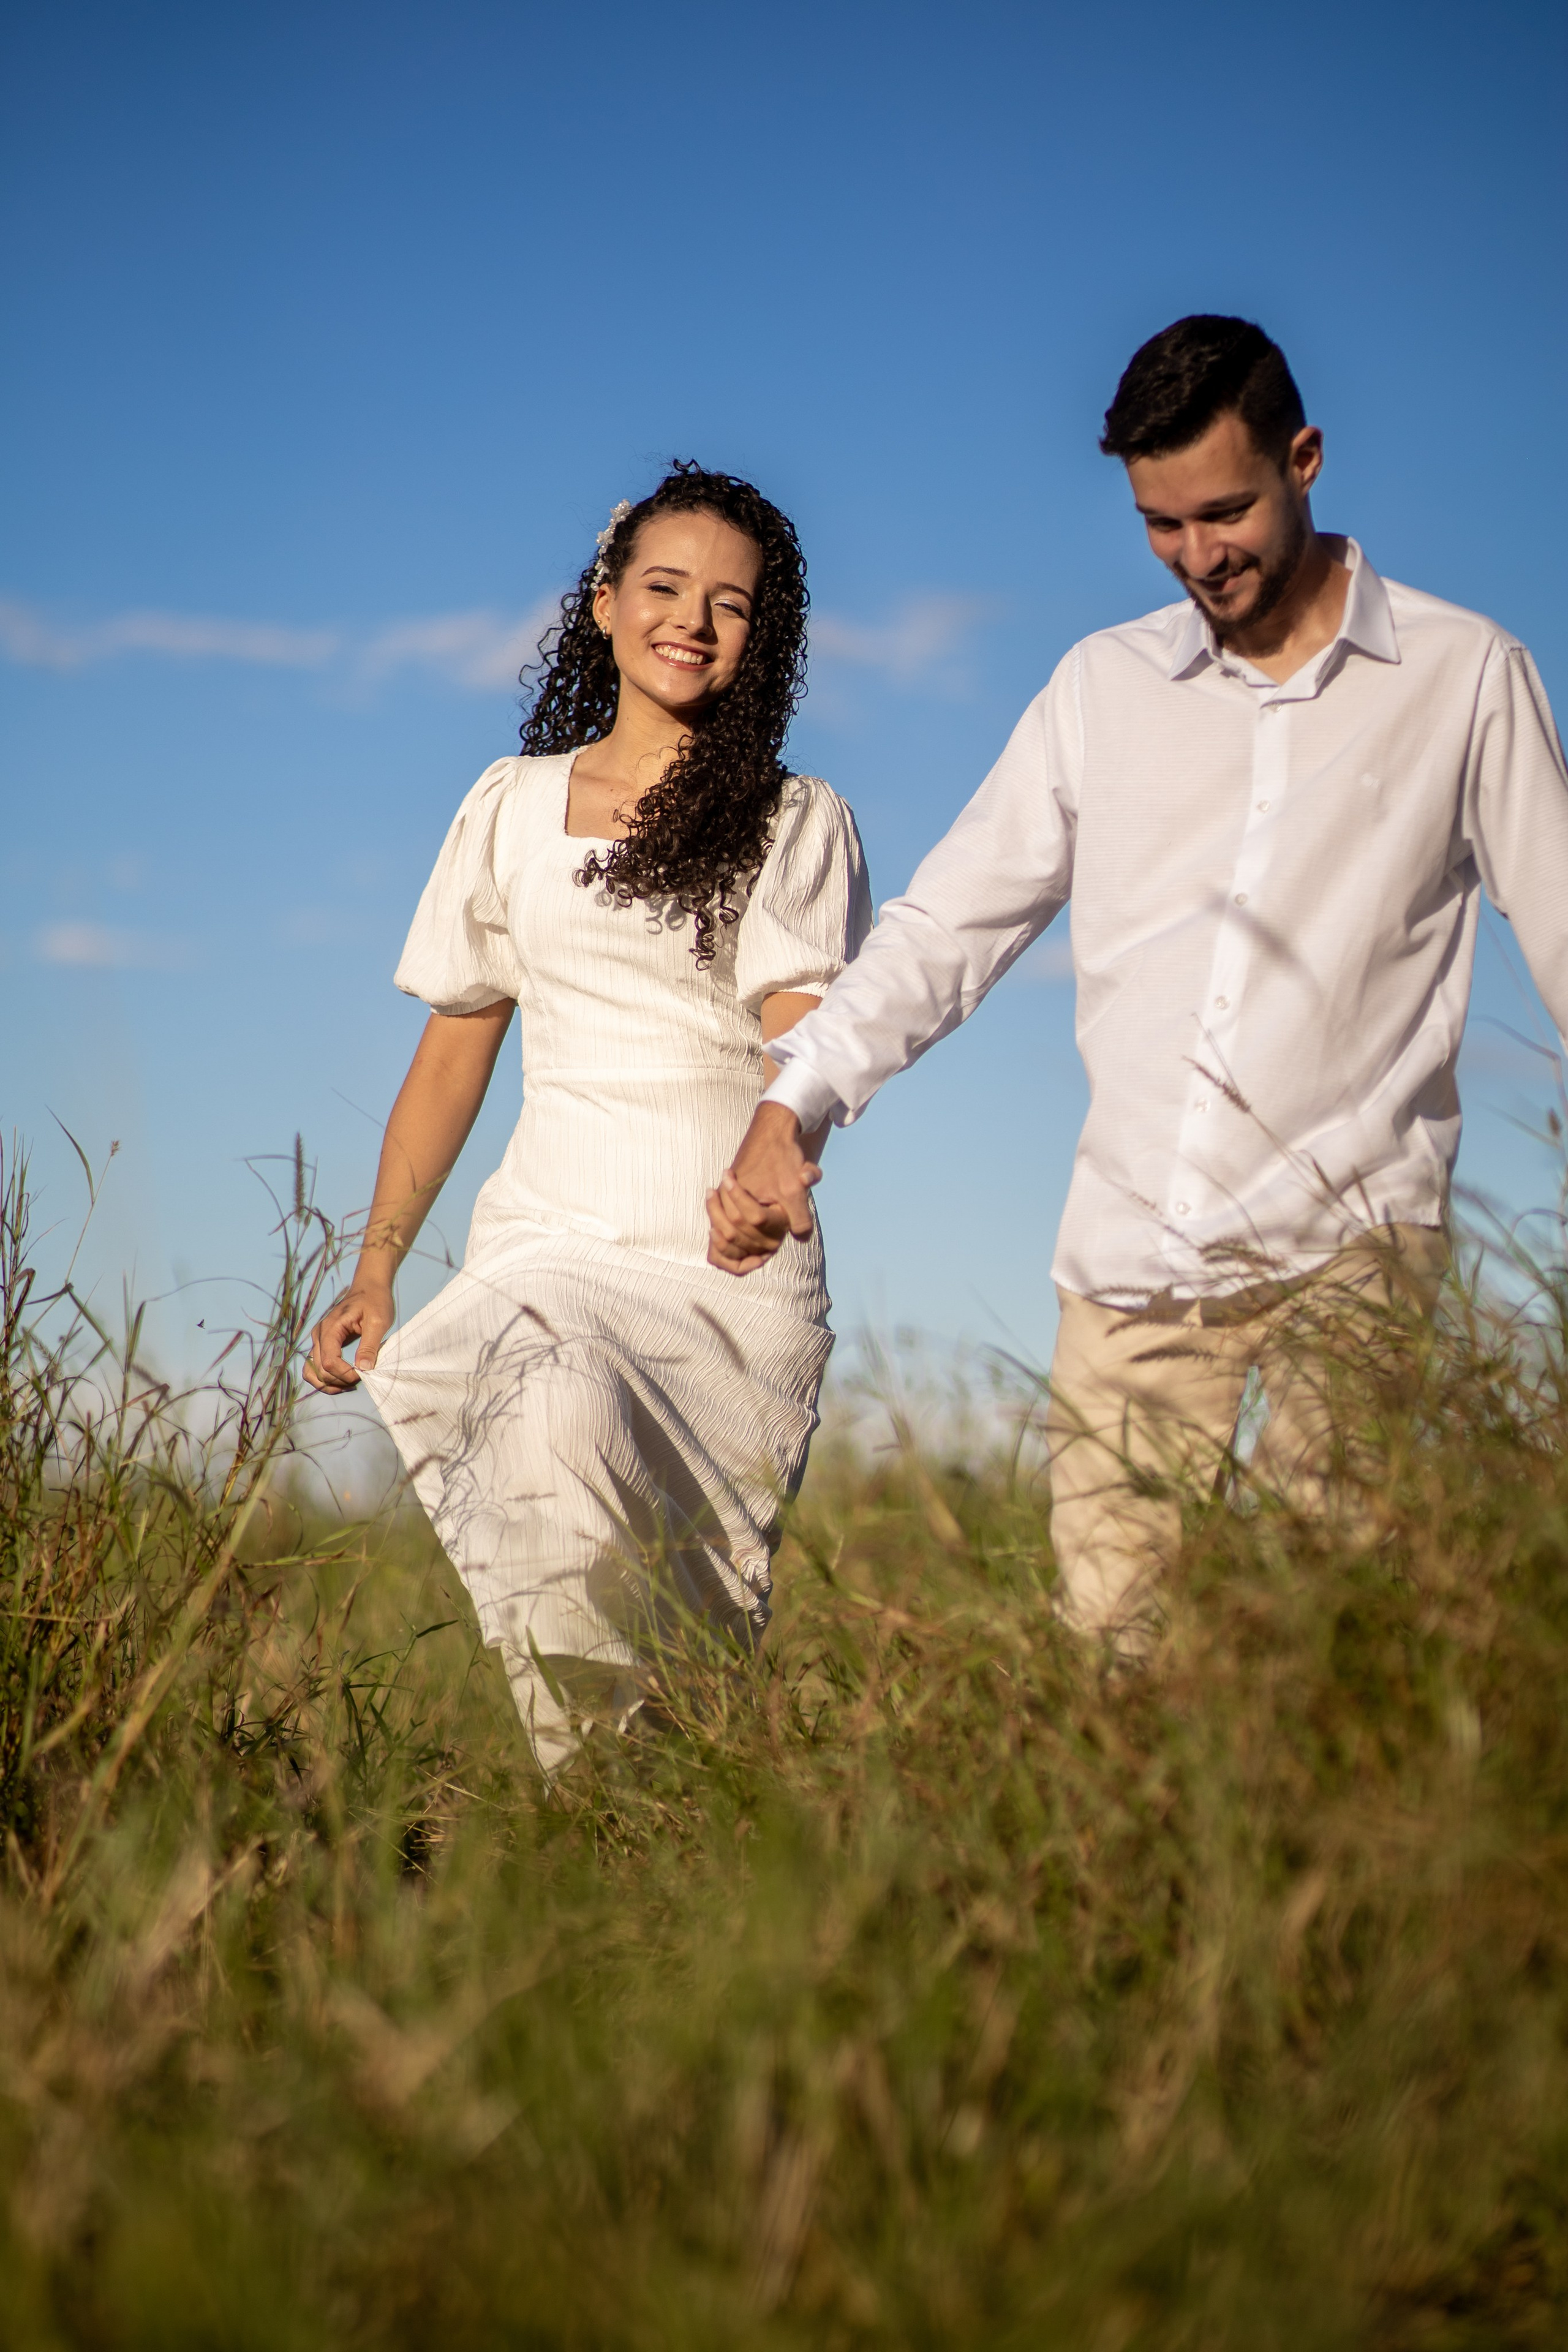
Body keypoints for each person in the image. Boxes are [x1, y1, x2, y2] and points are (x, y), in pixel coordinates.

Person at [708, 316, 1568, 1645]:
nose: (1196, 555)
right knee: (1120, 1664)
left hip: (1350, 1257)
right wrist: (797, 1096)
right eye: (1159, 524)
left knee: (1316, 1647)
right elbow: (950, 924)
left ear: (1305, 458)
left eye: (1222, 510)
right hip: (1125, 1263)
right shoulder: (1099, 687)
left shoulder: (1466, 677)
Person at [306, 462, 871, 1771]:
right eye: (664, 588)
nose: (691, 620)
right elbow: (454, 1050)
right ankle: (599, 1808)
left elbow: (809, 1032)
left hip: (723, 1261)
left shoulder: (792, 819)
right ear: (605, 603)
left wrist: (781, 1161)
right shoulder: (506, 807)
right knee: (548, 1422)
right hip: (549, 1239)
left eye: (730, 605)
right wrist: (378, 1260)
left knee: (690, 1615)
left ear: (760, 639)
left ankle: (662, 1827)